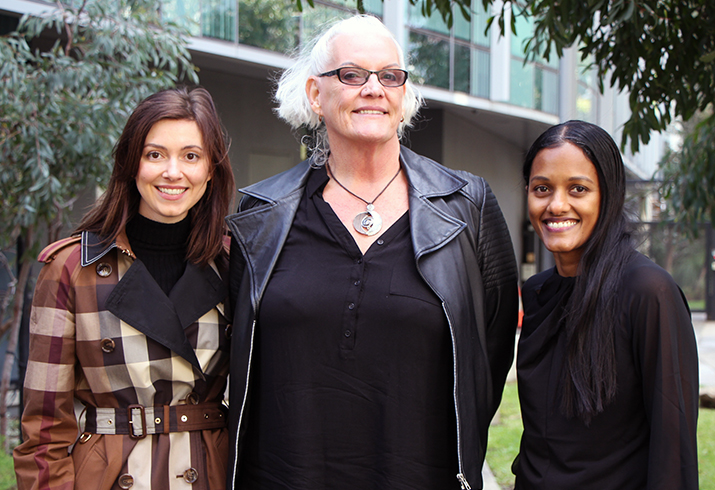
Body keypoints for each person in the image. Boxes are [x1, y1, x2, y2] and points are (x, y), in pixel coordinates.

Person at [224, 14, 518, 490]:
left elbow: (490, 352)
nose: (373, 88)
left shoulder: (467, 207)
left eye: (389, 76)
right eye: (352, 74)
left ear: (403, 97)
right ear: (316, 95)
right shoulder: (260, 214)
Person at [13, 86, 236, 490]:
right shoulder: (71, 269)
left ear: (211, 169)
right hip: (108, 475)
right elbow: (44, 430)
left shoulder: (235, 264)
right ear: (131, 164)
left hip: (207, 473)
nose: (173, 172)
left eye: (191, 156)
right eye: (155, 155)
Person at [513, 120, 699, 489]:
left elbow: (672, 450)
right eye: (542, 189)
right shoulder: (536, 293)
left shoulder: (647, 291)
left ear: (608, 194)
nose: (556, 205)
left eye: (578, 189)